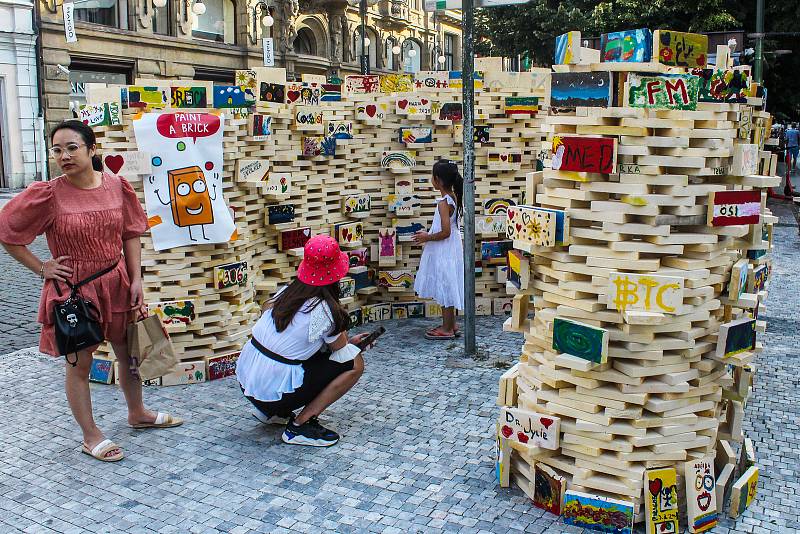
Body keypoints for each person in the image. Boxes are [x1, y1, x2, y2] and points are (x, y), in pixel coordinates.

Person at [0, 120, 182, 463]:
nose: (64, 156)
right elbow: (8, 232)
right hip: (75, 291)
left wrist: (136, 279)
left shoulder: (116, 185)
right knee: (79, 365)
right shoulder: (48, 194)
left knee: (128, 355)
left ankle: (137, 412)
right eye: (57, 150)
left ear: (91, 149)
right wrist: (42, 267)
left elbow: (130, 232)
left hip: (116, 282)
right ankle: (90, 435)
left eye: (72, 147)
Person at [236, 235, 371, 447]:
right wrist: (353, 346)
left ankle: (271, 412)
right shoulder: (326, 311)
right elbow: (343, 352)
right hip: (275, 392)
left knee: (294, 357)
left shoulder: (286, 293)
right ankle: (300, 425)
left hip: (248, 383)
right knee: (355, 363)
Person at [412, 159, 465, 340]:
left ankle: (447, 328)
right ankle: (451, 324)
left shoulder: (443, 202)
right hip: (452, 248)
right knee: (449, 283)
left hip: (445, 249)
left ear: (437, 180)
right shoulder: (454, 196)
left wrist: (427, 237)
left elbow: (445, 231)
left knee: (445, 284)